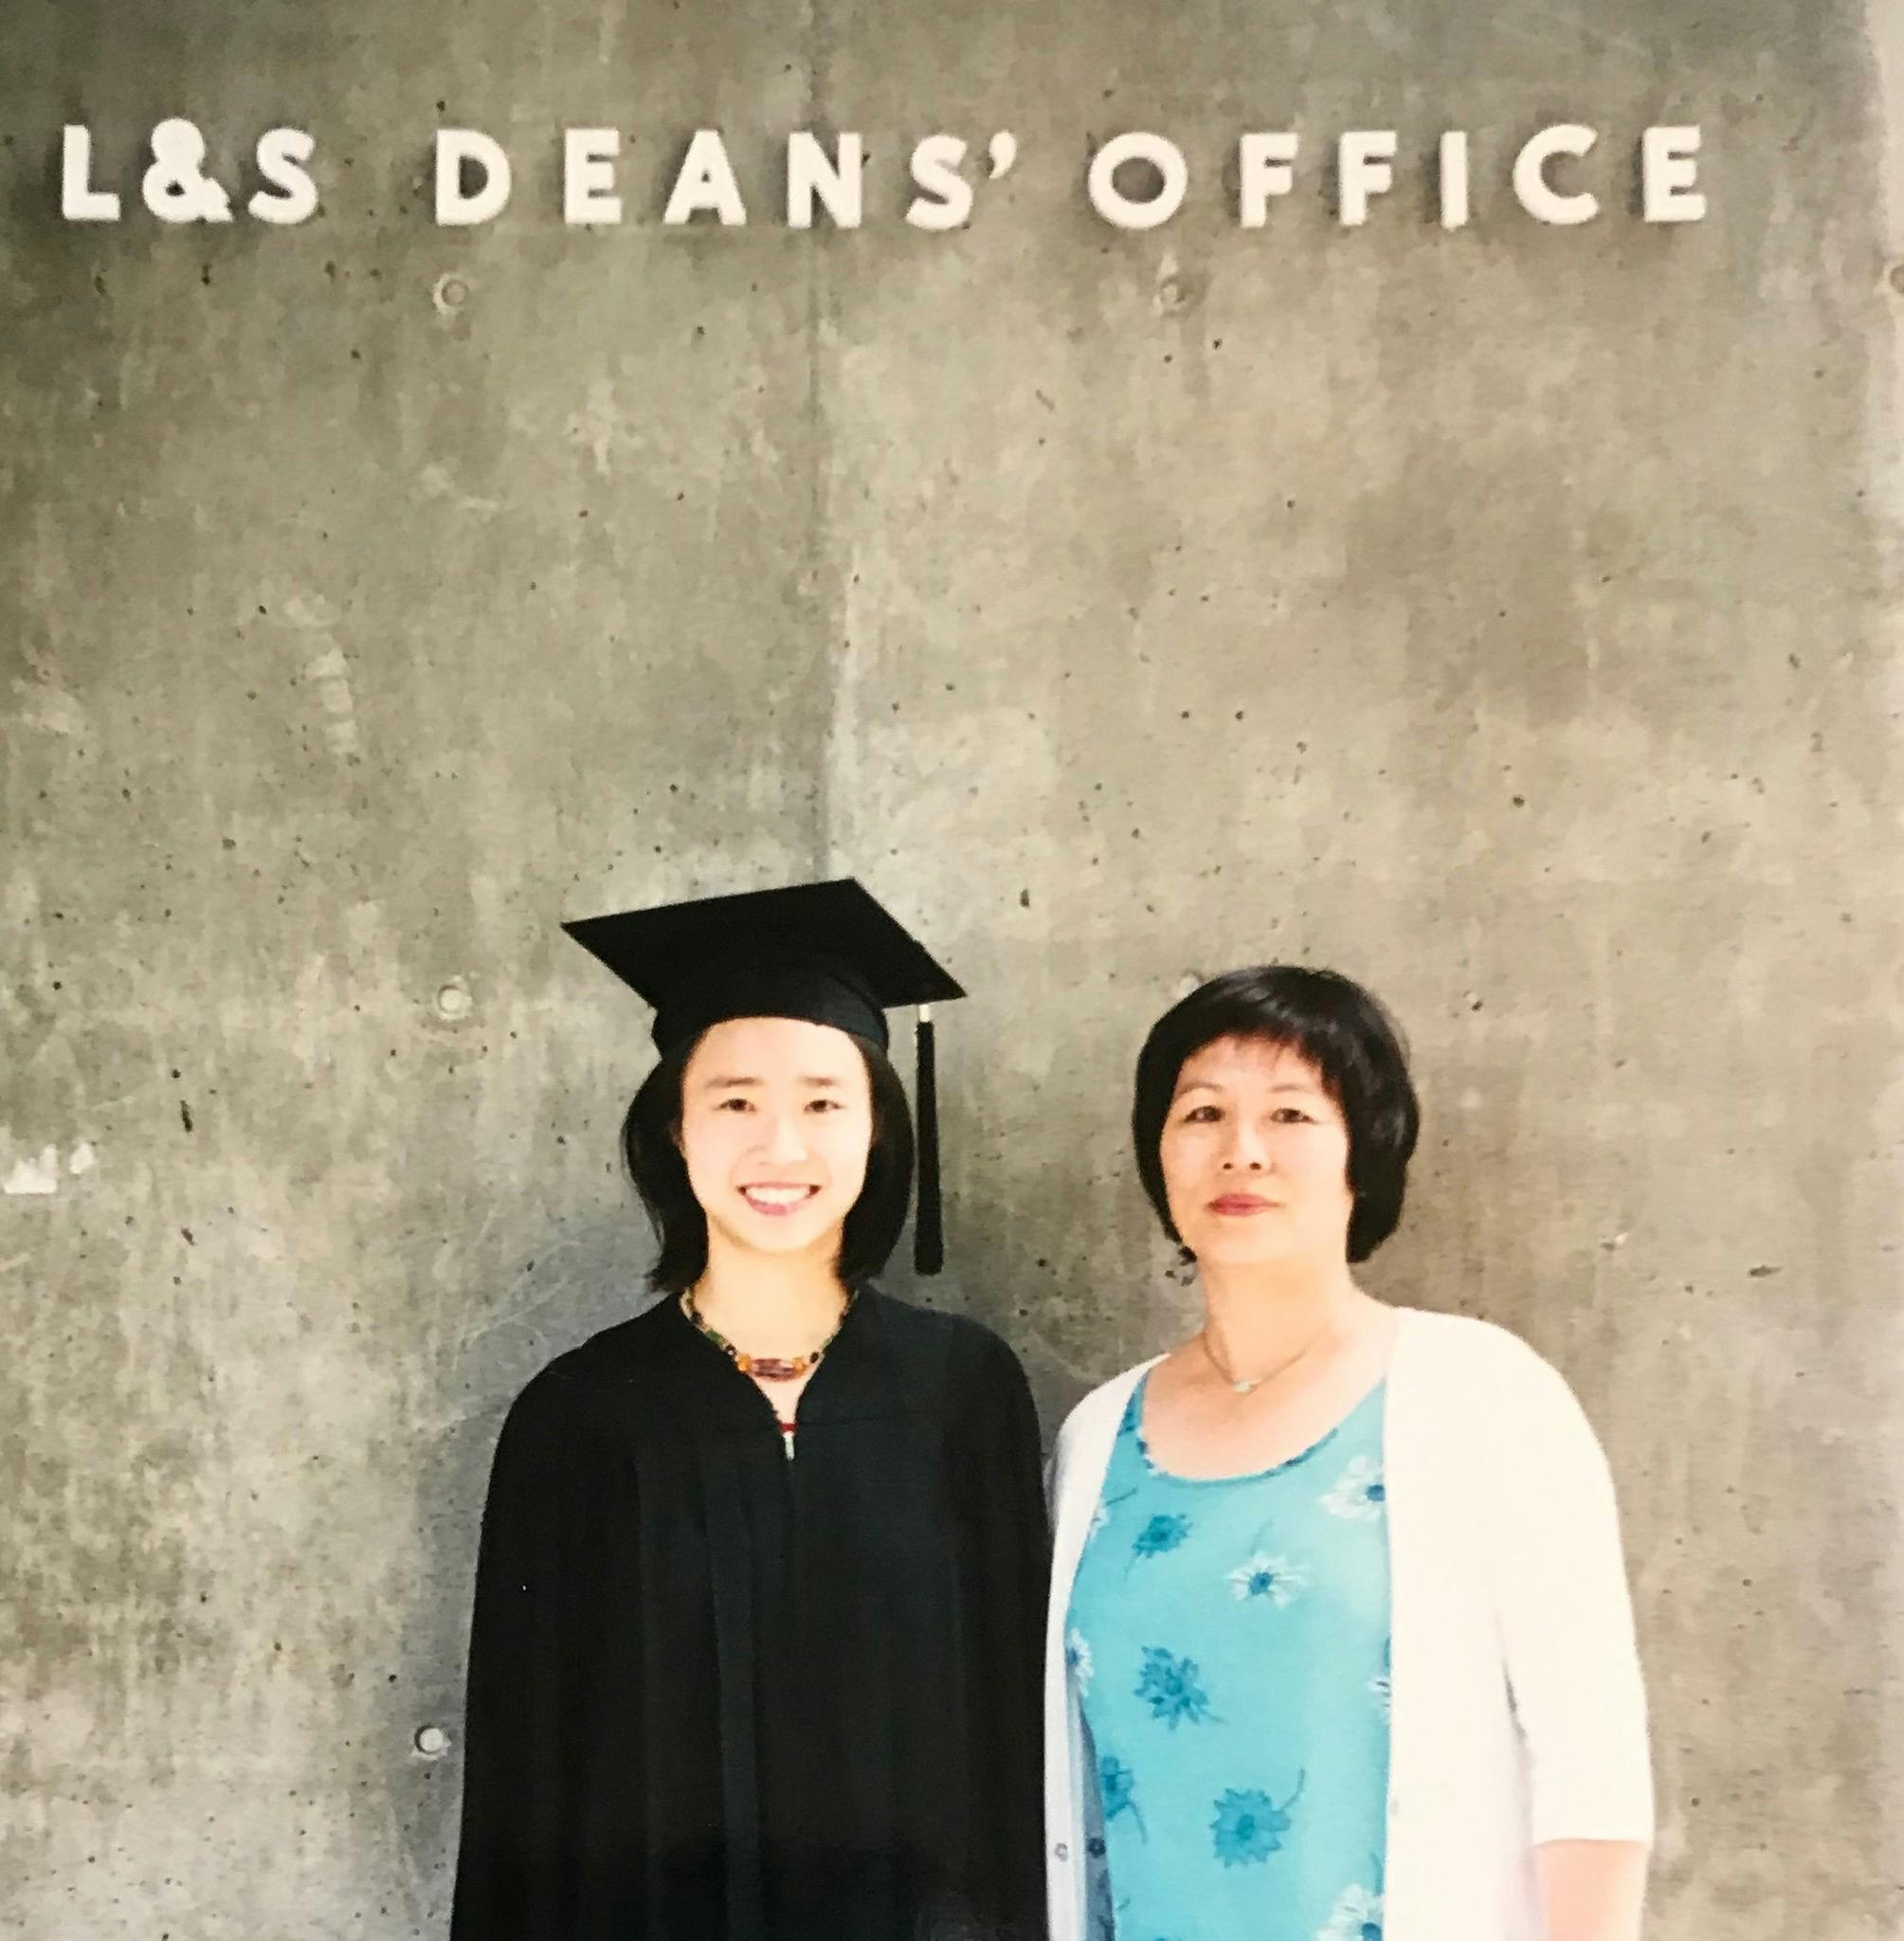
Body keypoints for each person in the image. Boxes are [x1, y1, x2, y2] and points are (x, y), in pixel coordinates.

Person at [452, 880, 1049, 1941]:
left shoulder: (962, 1390)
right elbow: (521, 1784)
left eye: (823, 1101)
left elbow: (1017, 1743)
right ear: (674, 1131)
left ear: (877, 1132)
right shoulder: (581, 1416)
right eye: (734, 1100)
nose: (781, 1144)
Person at [1043, 966, 1653, 1941]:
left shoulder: (1480, 1392)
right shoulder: (1095, 1437)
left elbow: (1590, 1763)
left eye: (1289, 1114)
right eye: (1201, 1112)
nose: (1240, 1150)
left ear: (1360, 1153)